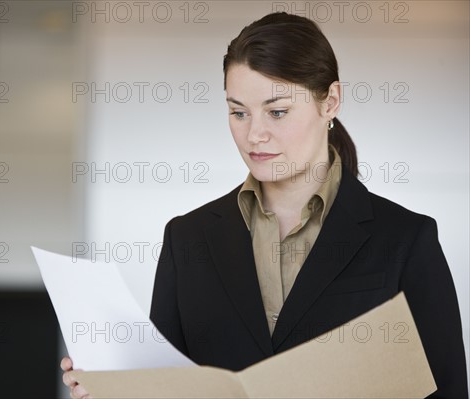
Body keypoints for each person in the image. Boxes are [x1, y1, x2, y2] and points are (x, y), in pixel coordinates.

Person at [61, 12, 468, 398]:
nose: (254, 135)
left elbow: (446, 390)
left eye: (277, 112)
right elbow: (165, 385)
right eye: (238, 112)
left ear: (330, 102)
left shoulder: (404, 239)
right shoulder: (188, 237)